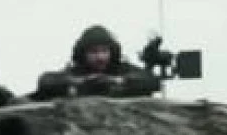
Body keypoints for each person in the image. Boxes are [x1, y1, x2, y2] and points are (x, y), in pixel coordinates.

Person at [31, 25, 161, 100]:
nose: (100, 57)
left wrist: (117, 81)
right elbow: (46, 81)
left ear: (112, 52)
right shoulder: (76, 72)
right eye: (93, 52)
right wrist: (81, 81)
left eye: (104, 51)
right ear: (83, 54)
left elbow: (151, 81)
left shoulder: (121, 69)